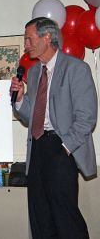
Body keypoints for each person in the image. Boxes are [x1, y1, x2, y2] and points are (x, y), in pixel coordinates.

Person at [10, 17, 97, 239]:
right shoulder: (35, 72)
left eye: (29, 39)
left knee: (64, 217)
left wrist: (65, 148)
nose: (25, 45)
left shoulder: (76, 68)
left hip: (61, 148)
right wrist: (19, 100)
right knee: (39, 217)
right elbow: (31, 116)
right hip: (37, 149)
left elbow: (87, 117)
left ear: (47, 37)